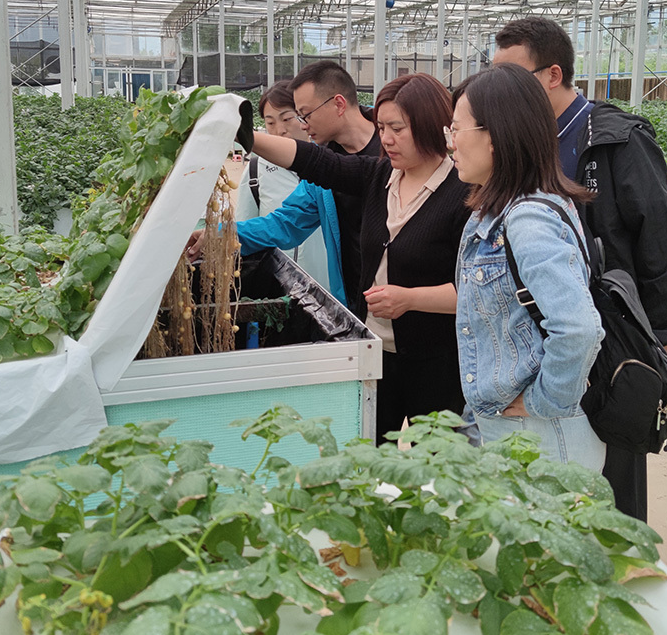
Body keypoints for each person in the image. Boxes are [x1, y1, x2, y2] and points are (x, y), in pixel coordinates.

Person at [492, 16, 667, 520]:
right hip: (544, 337)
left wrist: (663, 334)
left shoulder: (613, 140)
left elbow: (662, 236)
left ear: (553, 75)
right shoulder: (522, 139)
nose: (502, 89)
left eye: (513, 76)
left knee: (611, 465)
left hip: (608, 335)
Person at [244, 73, 470, 444]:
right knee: (369, 453)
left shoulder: (464, 194)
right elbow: (315, 162)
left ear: (431, 125)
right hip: (374, 353)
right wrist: (245, 136)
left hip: (439, 361)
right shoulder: (379, 176)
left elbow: (478, 291)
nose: (387, 139)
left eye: (397, 128)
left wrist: (410, 299)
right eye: (382, 128)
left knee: (435, 460)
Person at [448, 64, 606, 470]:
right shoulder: (499, 210)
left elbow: (578, 329)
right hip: (515, 430)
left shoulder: (527, 220)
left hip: (541, 437)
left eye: (456, 129)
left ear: (495, 136)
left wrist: (544, 400)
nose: (450, 142)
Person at [188, 61, 379, 316]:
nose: (303, 124)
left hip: (406, 303)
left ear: (339, 104)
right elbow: (285, 223)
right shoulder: (322, 172)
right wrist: (222, 234)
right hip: (359, 303)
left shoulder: (393, 149)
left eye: (305, 115)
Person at [232, 82, 333, 295]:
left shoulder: (333, 167)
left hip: (330, 291)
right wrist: (225, 235)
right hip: (278, 292)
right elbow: (247, 228)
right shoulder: (255, 171)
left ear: (305, 117)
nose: (280, 130)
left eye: (287, 119)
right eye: (270, 123)